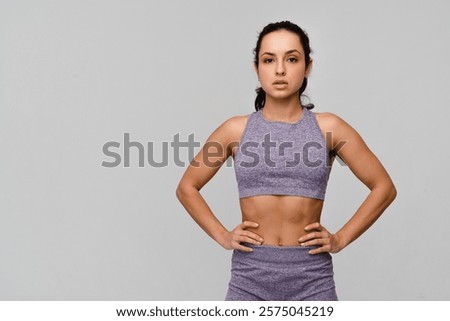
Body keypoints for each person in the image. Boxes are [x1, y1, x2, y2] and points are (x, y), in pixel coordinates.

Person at [175, 20, 397, 301]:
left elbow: (384, 187)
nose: (280, 70)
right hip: (249, 279)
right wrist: (222, 235)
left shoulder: (330, 128)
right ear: (257, 68)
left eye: (291, 59)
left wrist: (340, 239)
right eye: (269, 60)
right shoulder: (235, 130)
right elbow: (187, 187)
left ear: (307, 67)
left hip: (312, 280)